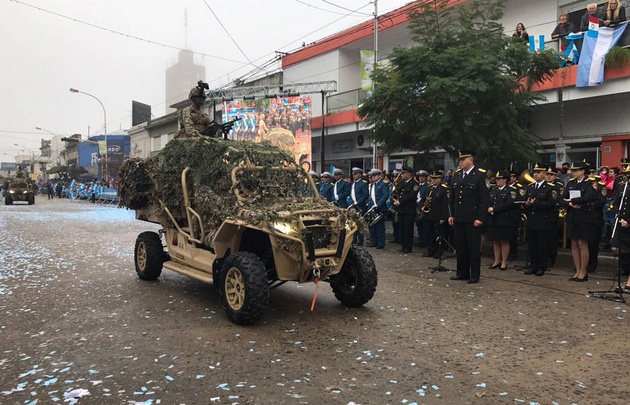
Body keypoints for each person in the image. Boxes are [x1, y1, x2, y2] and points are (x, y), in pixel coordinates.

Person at [448, 150, 490, 284]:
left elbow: (484, 199)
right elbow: (453, 198)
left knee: (473, 248)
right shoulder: (457, 175)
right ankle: (462, 272)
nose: (460, 162)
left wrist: (480, 218)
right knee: (460, 247)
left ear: (471, 160)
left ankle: (474, 274)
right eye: (460, 160)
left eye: (463, 159)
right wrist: (451, 215)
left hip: (472, 218)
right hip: (459, 217)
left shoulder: (479, 175)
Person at [560, 161, 598, 282]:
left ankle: (583, 271)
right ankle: (577, 270)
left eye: (576, 170)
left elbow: (589, 197)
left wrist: (573, 201)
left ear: (582, 171)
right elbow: (562, 198)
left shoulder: (590, 183)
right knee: (574, 244)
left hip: (584, 217)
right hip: (573, 216)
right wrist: (570, 204)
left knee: (582, 243)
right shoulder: (571, 183)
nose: (573, 172)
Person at [522, 164, 556, 277]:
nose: (536, 174)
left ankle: (542, 267)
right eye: (535, 172)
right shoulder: (530, 187)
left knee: (542, 245)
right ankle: (533, 266)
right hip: (532, 219)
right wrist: (526, 204)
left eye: (539, 172)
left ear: (544, 174)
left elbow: (551, 204)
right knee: (532, 245)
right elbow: (524, 201)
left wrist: (535, 203)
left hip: (543, 220)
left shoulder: (550, 188)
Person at [486, 170, 517, 271]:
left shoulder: (510, 191)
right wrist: (488, 207)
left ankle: (504, 262)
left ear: (505, 180)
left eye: (499, 179)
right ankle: (496, 260)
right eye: (497, 179)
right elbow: (489, 200)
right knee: (496, 240)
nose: (497, 180)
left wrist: (495, 208)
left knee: (504, 240)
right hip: (494, 218)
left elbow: (509, 204)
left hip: (504, 219)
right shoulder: (494, 190)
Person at [423, 171, 450, 259]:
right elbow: (423, 199)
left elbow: (445, 205)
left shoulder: (443, 189)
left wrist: (443, 217)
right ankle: (430, 251)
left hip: (438, 215)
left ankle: (439, 252)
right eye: (432, 178)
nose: (433, 180)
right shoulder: (429, 188)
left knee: (438, 235)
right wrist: (422, 207)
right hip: (429, 214)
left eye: (435, 179)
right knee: (429, 234)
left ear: (439, 179)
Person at [393, 166, 419, 254]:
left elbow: (411, 196)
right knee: (402, 229)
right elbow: (396, 192)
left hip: (409, 210)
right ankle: (403, 245)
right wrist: (394, 199)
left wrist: (400, 202)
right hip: (401, 210)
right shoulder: (401, 183)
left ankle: (408, 247)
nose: (402, 175)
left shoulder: (414, 184)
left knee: (408, 229)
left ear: (409, 174)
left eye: (404, 173)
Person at [587, 167, 608, 273]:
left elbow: (601, 202)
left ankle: (592, 264)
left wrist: (587, 205)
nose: (590, 175)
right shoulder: (585, 185)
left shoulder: (601, 186)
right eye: (588, 173)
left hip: (595, 218)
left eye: (592, 173)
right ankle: (583, 263)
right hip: (584, 218)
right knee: (584, 243)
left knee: (593, 244)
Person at [546, 167, 564, 267]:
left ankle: (551, 258)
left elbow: (559, 199)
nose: (549, 176)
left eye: (551, 175)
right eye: (547, 174)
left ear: (555, 176)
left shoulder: (558, 186)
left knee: (551, 238)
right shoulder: (542, 185)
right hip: (542, 215)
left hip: (552, 214)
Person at [366, 169, 390, 250]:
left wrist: (378, 205)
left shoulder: (383, 184)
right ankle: (374, 241)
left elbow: (385, 196)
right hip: (372, 208)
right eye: (372, 176)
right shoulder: (373, 185)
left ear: (379, 175)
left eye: (375, 175)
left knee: (380, 227)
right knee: (373, 226)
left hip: (380, 208)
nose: (373, 177)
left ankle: (381, 243)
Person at [350, 167, 369, 246]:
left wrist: (358, 202)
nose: (354, 176)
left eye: (356, 174)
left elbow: (365, 195)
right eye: (353, 174)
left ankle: (360, 241)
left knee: (360, 224)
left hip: (360, 206)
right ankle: (354, 240)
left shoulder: (363, 183)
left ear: (360, 174)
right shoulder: (353, 184)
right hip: (354, 206)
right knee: (353, 223)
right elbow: (352, 194)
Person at [415, 170, 430, 248]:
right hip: (417, 207)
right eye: (420, 177)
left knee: (424, 226)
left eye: (423, 177)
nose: (421, 178)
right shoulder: (417, 185)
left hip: (423, 207)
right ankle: (421, 240)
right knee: (419, 225)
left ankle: (424, 241)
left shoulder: (427, 186)